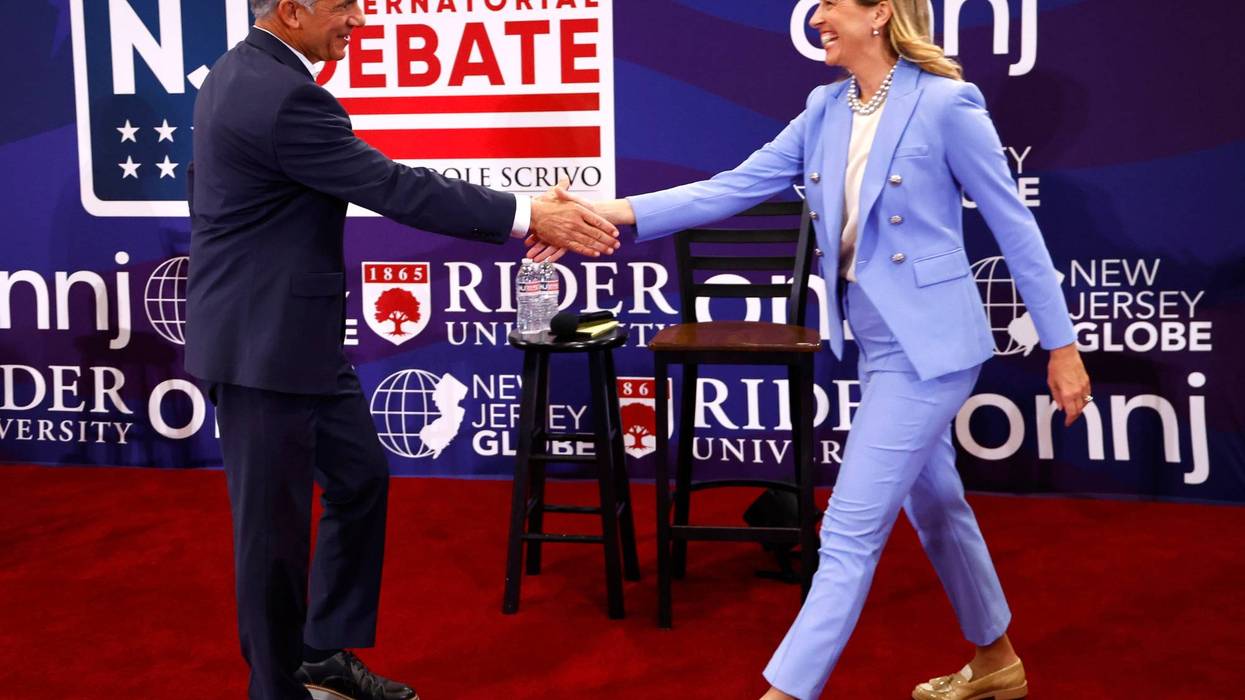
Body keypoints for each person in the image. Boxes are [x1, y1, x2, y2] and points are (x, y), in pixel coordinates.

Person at [532, 1, 1091, 698]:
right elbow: (729, 188)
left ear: (879, 13)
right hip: (879, 340)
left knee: (848, 535)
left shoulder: (946, 104)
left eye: (830, 4)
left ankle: (785, 693)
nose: (817, 17)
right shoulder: (825, 109)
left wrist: (1060, 346)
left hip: (933, 346)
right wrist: (602, 212)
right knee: (938, 506)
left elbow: (1016, 228)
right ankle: (997, 661)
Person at [184, 0, 619, 698]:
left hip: (296, 336)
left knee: (360, 481)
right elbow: (390, 185)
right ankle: (274, 688)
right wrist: (527, 215)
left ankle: (323, 651)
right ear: (291, 13)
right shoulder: (280, 94)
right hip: (259, 349)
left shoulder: (242, 72)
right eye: (342, 7)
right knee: (271, 537)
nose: (357, 19)